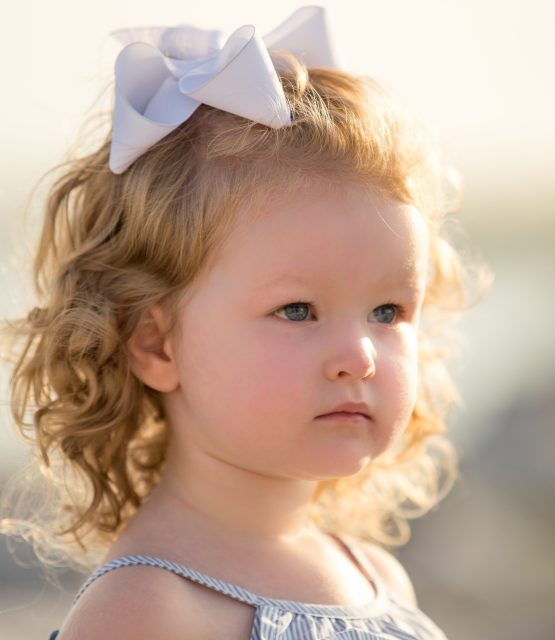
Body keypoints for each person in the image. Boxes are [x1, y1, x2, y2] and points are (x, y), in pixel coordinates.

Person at [0, 6, 491, 639]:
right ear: (155, 343)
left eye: (387, 312)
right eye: (296, 310)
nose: (359, 354)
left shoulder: (378, 577)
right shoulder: (146, 611)